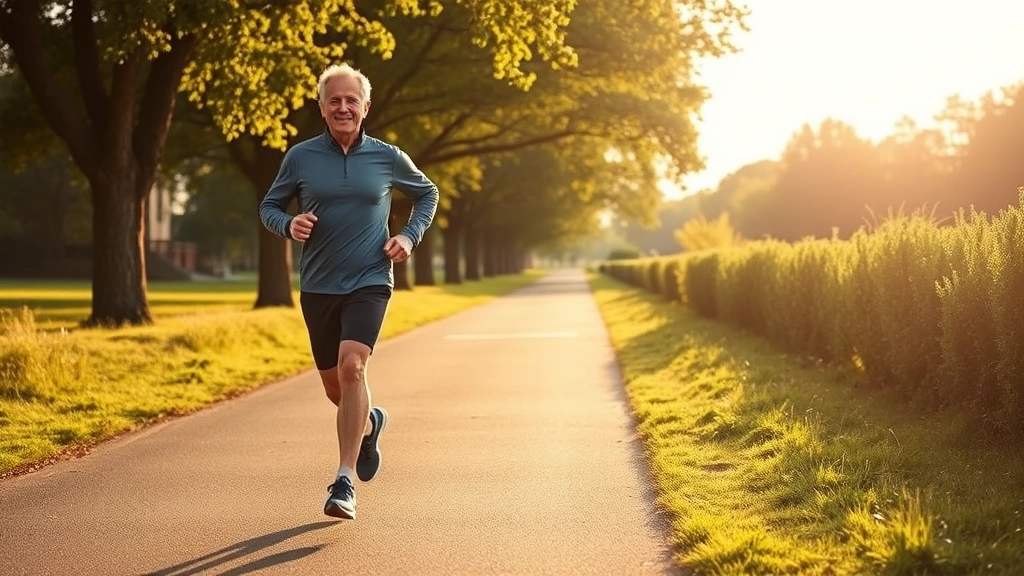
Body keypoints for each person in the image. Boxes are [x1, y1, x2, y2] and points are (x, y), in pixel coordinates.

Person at [259, 63, 439, 520]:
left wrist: (409, 236)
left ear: (365, 107)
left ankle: (343, 481)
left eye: (350, 100)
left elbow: (428, 193)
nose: (343, 107)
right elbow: (270, 205)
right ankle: (371, 420)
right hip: (318, 285)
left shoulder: (387, 156)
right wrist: (288, 223)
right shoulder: (300, 157)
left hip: (370, 279)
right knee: (336, 388)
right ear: (322, 107)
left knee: (353, 367)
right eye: (333, 100)